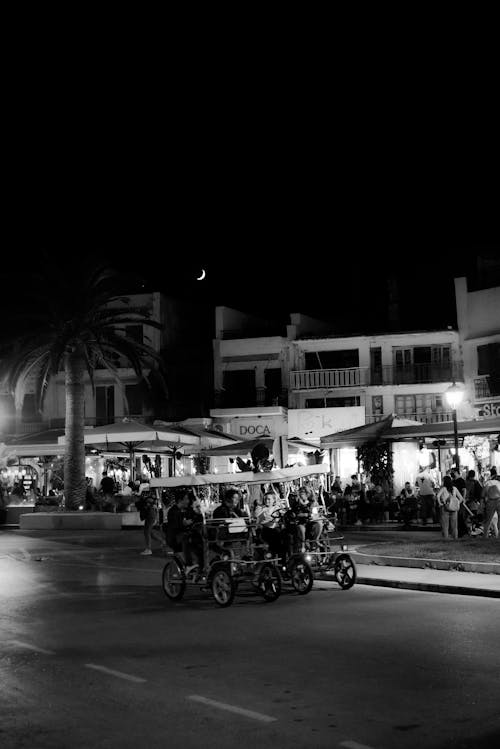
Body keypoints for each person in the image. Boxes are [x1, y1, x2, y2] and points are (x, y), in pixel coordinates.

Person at [137, 487, 166, 556]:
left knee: (147, 532)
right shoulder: (153, 494)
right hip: (150, 514)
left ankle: (148, 549)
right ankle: (162, 541)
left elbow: (147, 504)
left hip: (150, 514)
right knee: (150, 532)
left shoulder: (150, 495)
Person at [255, 492, 281, 557]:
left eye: (269, 499)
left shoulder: (276, 508)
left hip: (273, 529)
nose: (267, 501)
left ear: (273, 500)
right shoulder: (260, 508)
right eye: (266, 499)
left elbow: (275, 520)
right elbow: (256, 517)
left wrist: (266, 519)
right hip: (263, 529)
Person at [437, 476, 463, 540]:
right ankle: (455, 538)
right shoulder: (454, 488)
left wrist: (440, 503)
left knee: (445, 525)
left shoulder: (443, 489)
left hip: (445, 507)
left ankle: (446, 539)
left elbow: (437, 496)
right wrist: (456, 503)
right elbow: (461, 498)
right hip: (454, 509)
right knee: (454, 525)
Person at [481, 467, 500, 539]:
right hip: (499, 501)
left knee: (488, 520)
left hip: (490, 501)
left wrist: (482, 503)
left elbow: (483, 494)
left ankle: (485, 536)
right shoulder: (499, 483)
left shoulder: (487, 483)